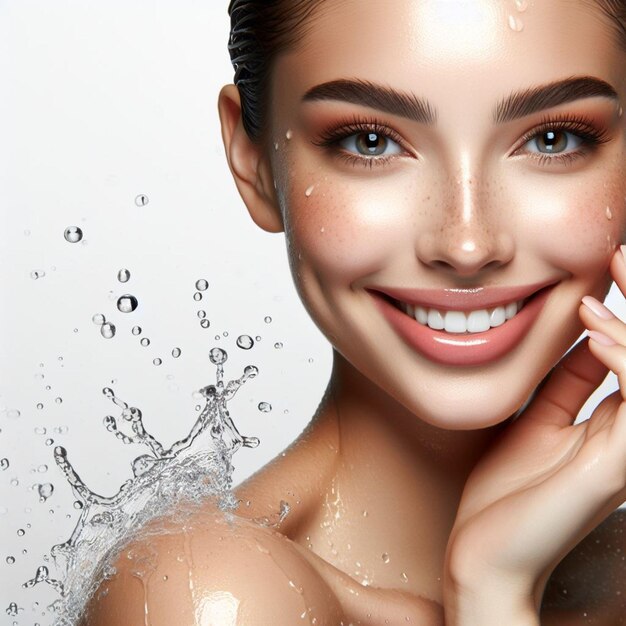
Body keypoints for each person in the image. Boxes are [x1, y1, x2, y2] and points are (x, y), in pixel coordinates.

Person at [83, 1, 626, 624]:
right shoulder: (207, 594)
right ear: (254, 161)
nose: (467, 244)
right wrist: (490, 594)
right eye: (371, 142)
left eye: (551, 139)